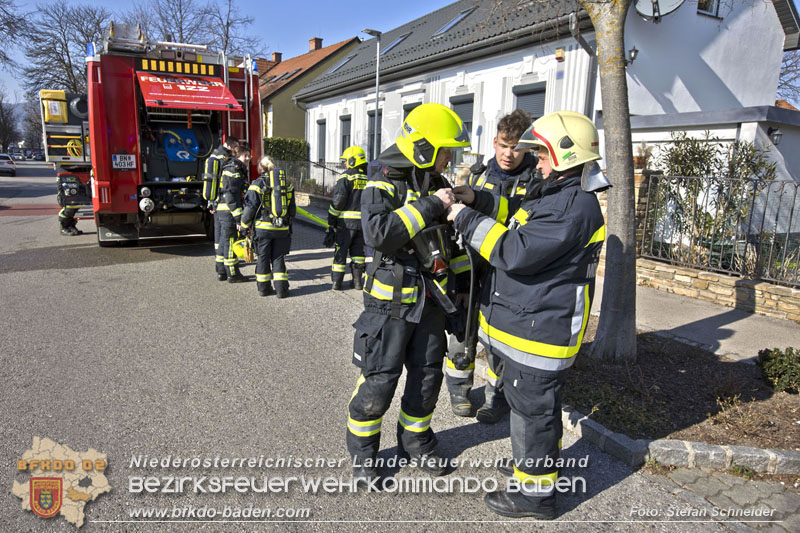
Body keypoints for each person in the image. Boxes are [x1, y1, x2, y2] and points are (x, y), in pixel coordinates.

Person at [447, 111, 608, 519]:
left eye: (544, 154)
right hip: (532, 322)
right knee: (532, 410)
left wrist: (463, 217)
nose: (537, 162)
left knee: (534, 414)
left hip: (541, 332)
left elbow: (514, 250)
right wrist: (477, 200)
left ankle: (535, 496)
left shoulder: (571, 206)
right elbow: (516, 213)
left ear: (566, 155)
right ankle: (532, 468)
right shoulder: (558, 193)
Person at [346, 103, 471, 484]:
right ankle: (364, 455)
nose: (449, 158)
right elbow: (379, 233)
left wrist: (462, 288)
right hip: (389, 305)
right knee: (379, 380)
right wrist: (431, 204)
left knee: (427, 377)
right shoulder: (382, 180)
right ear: (423, 147)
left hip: (431, 301)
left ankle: (415, 442)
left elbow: (449, 243)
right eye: (445, 150)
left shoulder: (434, 181)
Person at [446, 109, 535, 423]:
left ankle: (495, 397)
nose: (508, 154)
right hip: (473, 269)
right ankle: (459, 390)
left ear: (526, 148)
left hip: (509, 273)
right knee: (463, 330)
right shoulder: (477, 176)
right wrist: (460, 282)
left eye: (516, 148)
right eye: (503, 145)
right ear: (495, 142)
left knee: (501, 339)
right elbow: (458, 233)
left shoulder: (536, 181)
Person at [240, 156, 296, 298]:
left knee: (263, 258)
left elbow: (250, 208)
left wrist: (244, 226)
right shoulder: (286, 184)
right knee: (278, 258)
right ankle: (282, 290)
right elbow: (292, 209)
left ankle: (264, 289)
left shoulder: (257, 184)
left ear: (260, 168)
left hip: (263, 229)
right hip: (282, 229)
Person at [327, 146, 368, 291]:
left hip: (345, 224)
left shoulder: (346, 177)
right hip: (362, 224)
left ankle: (337, 283)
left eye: (346, 160)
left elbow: (338, 201)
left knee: (341, 252)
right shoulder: (369, 178)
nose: (345, 163)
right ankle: (357, 283)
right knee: (358, 253)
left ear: (352, 160)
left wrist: (331, 219)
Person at [203, 135, 239, 281]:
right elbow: (223, 182)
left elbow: (211, 181)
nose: (236, 149)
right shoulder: (224, 158)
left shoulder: (213, 156)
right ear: (229, 145)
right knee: (225, 236)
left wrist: (211, 202)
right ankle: (224, 267)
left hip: (215, 202)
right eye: (235, 146)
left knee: (218, 236)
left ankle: (219, 267)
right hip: (223, 202)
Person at [217, 143, 250, 283]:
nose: (249, 158)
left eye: (249, 155)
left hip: (224, 210)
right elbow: (231, 196)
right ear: (238, 156)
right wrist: (238, 218)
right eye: (245, 155)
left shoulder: (235, 169)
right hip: (229, 212)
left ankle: (221, 271)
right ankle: (233, 274)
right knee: (230, 242)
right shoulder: (234, 170)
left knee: (224, 241)